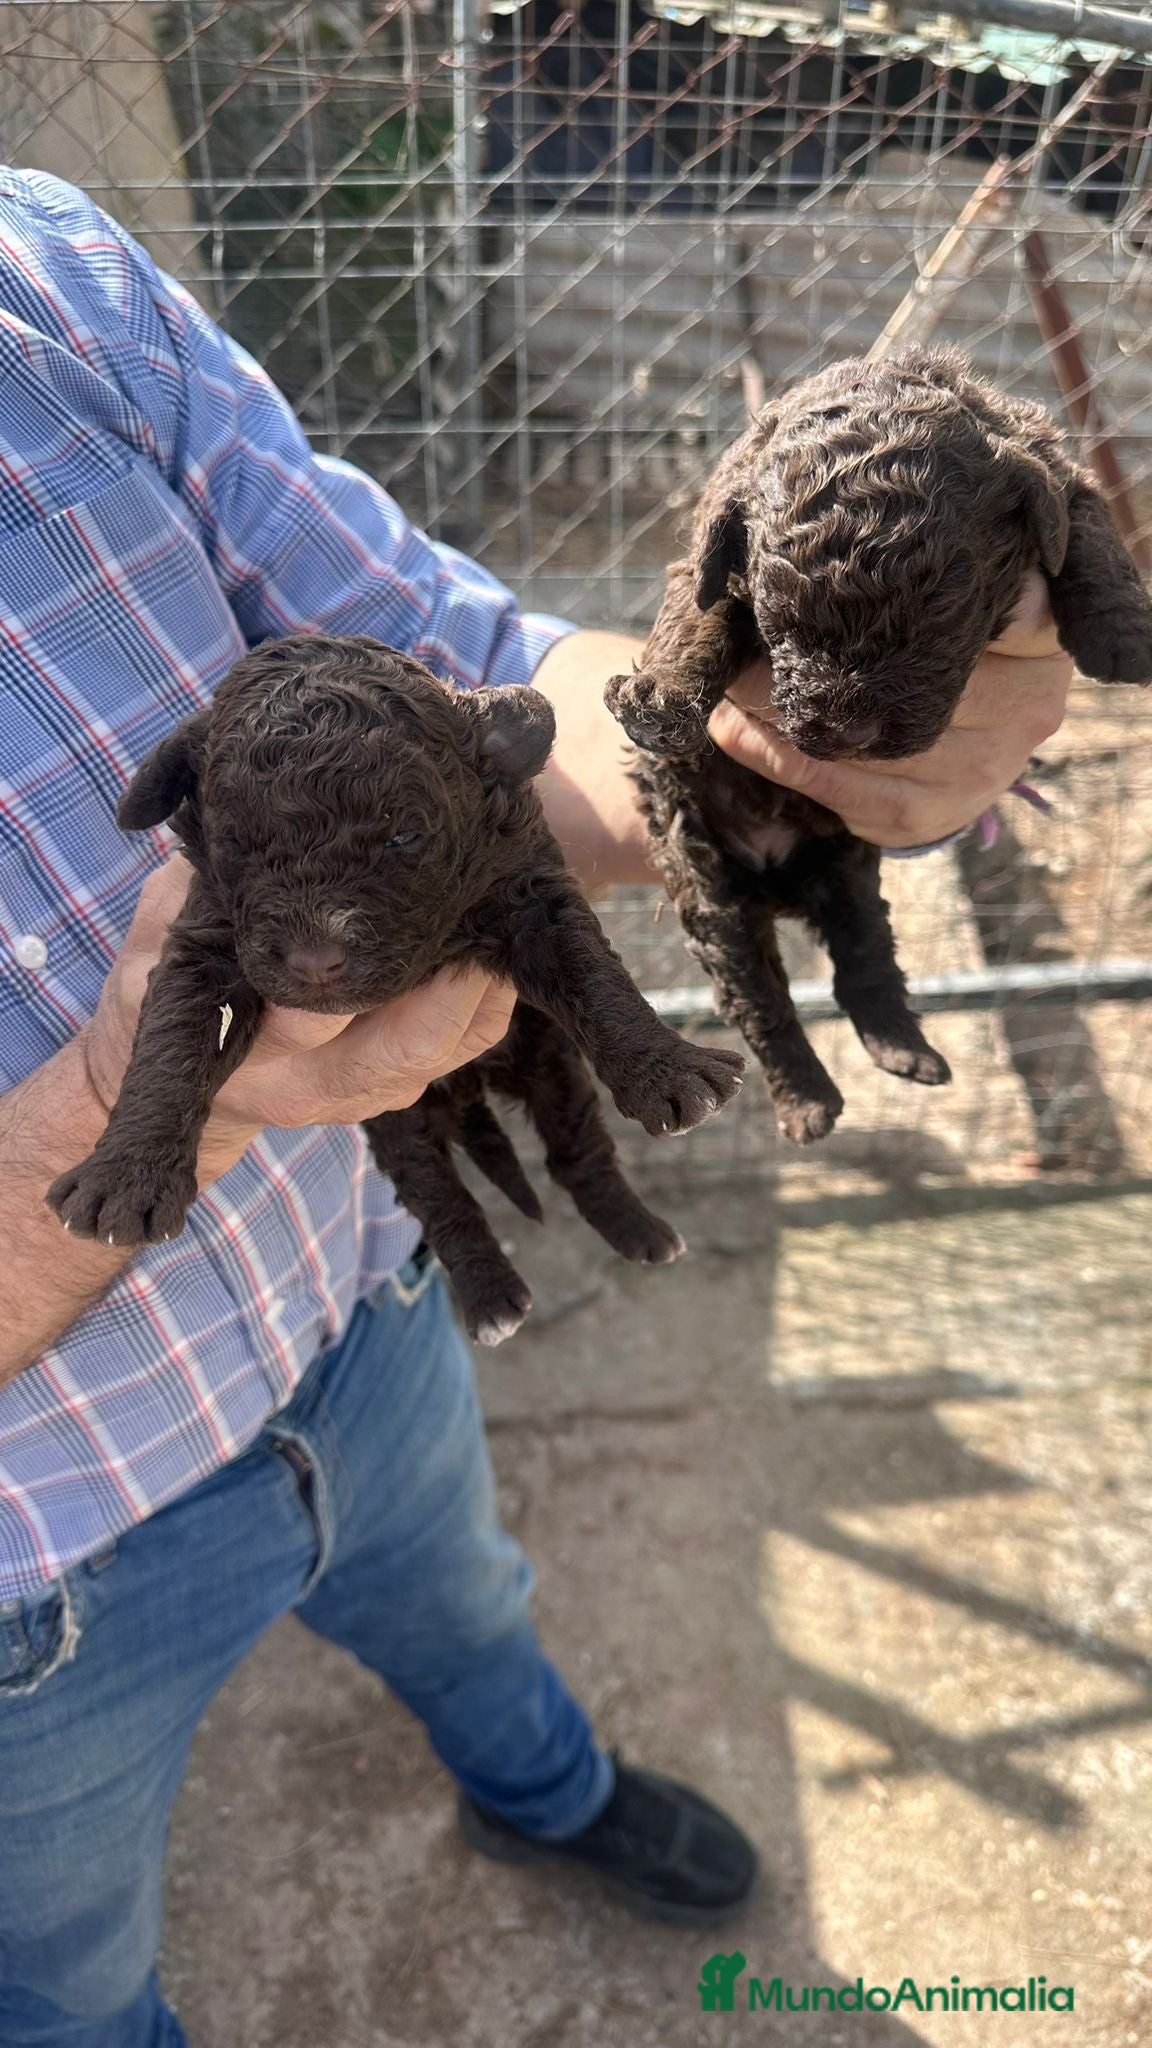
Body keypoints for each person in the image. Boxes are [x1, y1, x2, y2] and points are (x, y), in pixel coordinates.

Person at [0, 167, 1073, 2048]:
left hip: (360, 1306)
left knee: (475, 1609)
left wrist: (750, 742)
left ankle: (545, 1790)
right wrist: (133, 1103)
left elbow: (469, 668)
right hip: (42, 1572)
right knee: (65, 1986)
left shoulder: (40, 275)